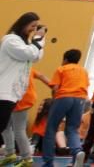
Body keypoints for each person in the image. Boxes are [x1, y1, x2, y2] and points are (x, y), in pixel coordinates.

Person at [0, 13, 47, 151]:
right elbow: (31, 53)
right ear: (23, 23)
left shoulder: (23, 43)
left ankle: (10, 154)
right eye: (32, 26)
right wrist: (38, 39)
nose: (33, 29)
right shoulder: (11, 40)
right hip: (3, 91)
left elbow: (36, 57)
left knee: (3, 126)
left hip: (12, 94)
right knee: (2, 126)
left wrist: (40, 40)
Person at [42, 49, 88, 167]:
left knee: (51, 129)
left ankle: (48, 162)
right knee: (72, 129)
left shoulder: (61, 69)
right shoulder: (83, 71)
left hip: (64, 98)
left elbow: (55, 88)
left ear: (65, 59)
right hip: (80, 99)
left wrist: (54, 99)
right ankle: (77, 151)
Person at [2, 67, 50, 166]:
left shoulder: (12, 66)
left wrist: (55, 87)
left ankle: (27, 158)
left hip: (21, 99)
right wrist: (53, 86)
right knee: (5, 126)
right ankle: (10, 154)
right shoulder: (25, 66)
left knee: (18, 130)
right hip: (14, 99)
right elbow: (41, 76)